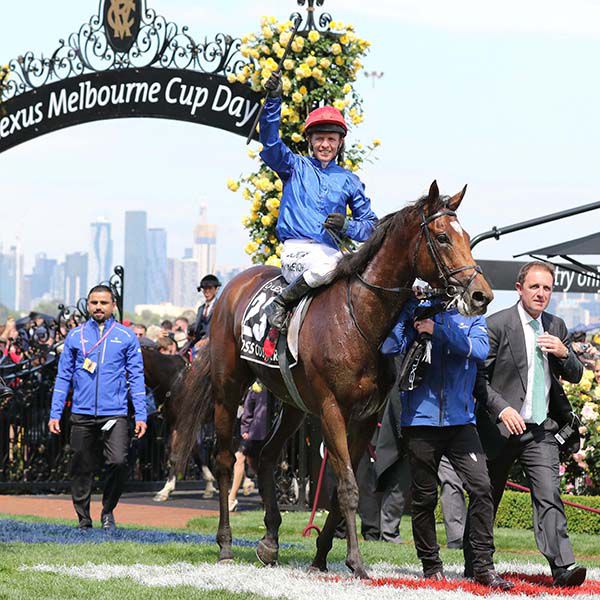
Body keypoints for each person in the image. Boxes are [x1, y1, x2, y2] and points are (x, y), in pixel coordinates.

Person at [471, 261, 586, 587]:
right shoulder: (496, 325)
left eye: (546, 288)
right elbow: (477, 380)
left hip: (540, 430)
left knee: (549, 494)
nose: (541, 293)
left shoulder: (556, 325)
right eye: (534, 287)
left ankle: (563, 568)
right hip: (500, 427)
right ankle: (476, 562)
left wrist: (565, 353)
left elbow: (575, 374)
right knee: (487, 497)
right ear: (520, 288)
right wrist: (500, 408)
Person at [385, 295, 512, 590]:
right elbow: (389, 347)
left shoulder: (471, 315)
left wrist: (437, 330)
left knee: (482, 489)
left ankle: (483, 566)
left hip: (462, 424)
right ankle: (431, 566)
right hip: (419, 422)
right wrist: (408, 318)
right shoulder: (415, 309)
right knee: (424, 498)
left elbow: (479, 350)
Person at [259, 71, 378, 331]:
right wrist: (273, 101)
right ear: (310, 141)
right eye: (320, 139)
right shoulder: (294, 166)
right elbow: (270, 144)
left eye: (331, 139)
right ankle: (279, 303)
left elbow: (371, 227)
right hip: (297, 251)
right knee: (330, 266)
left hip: (332, 255)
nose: (325, 144)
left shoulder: (349, 180)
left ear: (340, 143)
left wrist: (346, 225)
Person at [48, 285, 147, 530]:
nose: (98, 307)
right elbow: (63, 377)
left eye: (103, 302)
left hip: (115, 413)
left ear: (113, 305)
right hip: (81, 412)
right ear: (88, 305)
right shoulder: (75, 336)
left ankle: (108, 510)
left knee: (118, 461)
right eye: (94, 302)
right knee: (81, 466)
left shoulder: (126, 336)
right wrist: (55, 413)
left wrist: (141, 415)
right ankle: (83, 518)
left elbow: (136, 377)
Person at [190, 274, 221, 344]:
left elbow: (221, 329)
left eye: (210, 288)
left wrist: (208, 340)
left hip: (214, 344)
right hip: (199, 343)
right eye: (204, 289)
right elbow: (197, 328)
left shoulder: (220, 307)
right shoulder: (200, 309)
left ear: (216, 289)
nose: (207, 292)